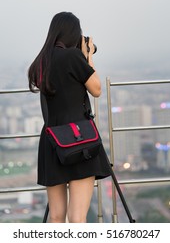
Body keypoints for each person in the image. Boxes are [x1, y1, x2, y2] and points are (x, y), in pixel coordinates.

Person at [28, 12, 110, 223]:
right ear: (74, 33)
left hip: (51, 140)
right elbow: (97, 89)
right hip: (78, 139)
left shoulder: (41, 61)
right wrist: (88, 56)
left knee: (56, 217)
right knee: (77, 219)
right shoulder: (73, 57)